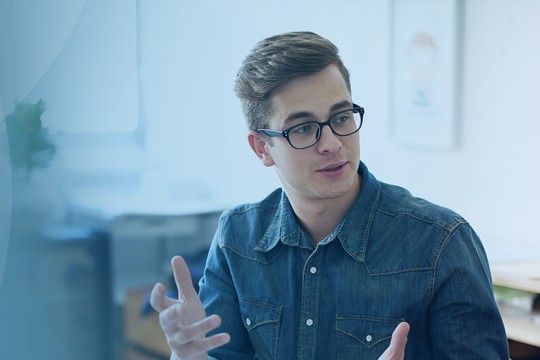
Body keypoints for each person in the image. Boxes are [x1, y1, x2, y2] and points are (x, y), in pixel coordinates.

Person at [150, 31, 509, 359]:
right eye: (304, 128)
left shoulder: (441, 244)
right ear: (262, 148)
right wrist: (189, 357)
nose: (333, 144)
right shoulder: (237, 237)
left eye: (341, 117)